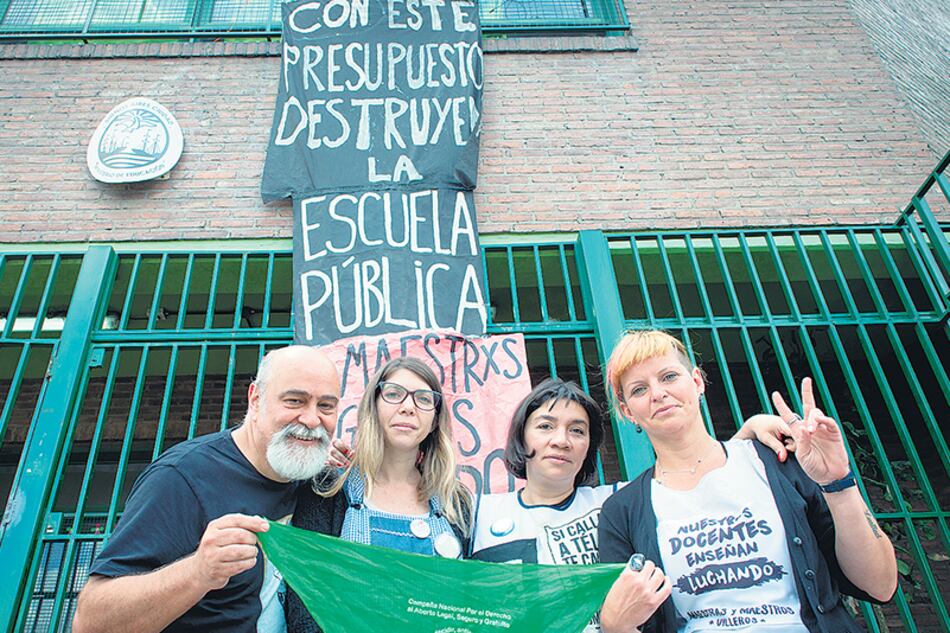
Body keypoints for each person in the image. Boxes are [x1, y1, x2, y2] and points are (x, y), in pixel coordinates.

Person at [597, 330, 898, 633]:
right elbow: (626, 620)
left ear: (697, 381)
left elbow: (880, 585)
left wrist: (838, 483)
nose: (657, 393)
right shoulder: (621, 511)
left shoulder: (776, 460)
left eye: (669, 376)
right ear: (628, 412)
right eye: (638, 390)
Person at [469, 377, 794, 633]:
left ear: (588, 448)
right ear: (520, 437)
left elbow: (699, 480)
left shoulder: (619, 503)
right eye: (545, 426)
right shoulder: (478, 514)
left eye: (577, 430)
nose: (561, 440)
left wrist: (747, 434)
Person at [73, 345, 345, 633]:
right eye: (294, 401)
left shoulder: (319, 481)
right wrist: (198, 572)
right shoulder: (183, 476)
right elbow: (90, 621)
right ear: (255, 399)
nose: (312, 419)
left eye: (326, 406)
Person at [286, 356, 472, 633]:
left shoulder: (455, 501)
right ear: (372, 406)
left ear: (435, 420)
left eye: (423, 399)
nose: (408, 407)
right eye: (394, 394)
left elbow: (471, 602)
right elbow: (305, 603)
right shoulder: (327, 489)